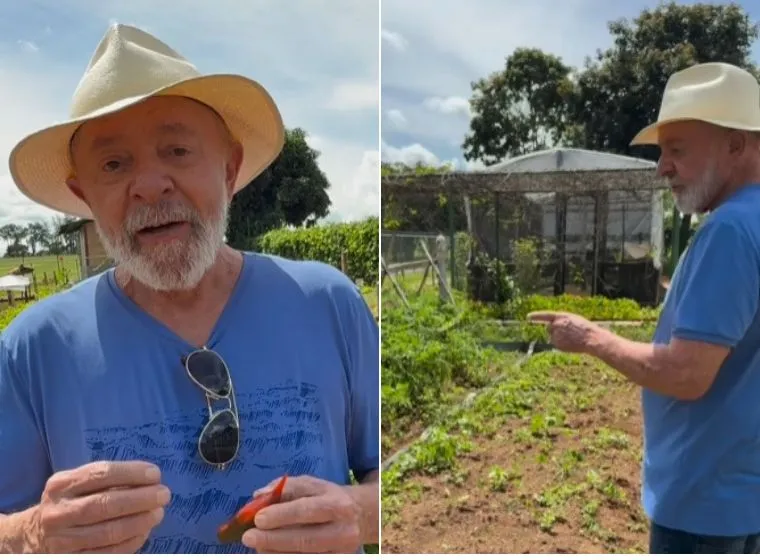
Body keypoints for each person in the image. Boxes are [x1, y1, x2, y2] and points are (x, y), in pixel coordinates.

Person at [0, 23, 379, 554]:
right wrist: (30, 534)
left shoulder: (329, 304)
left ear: (229, 169)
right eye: (114, 164)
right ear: (83, 194)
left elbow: (393, 478)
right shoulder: (31, 350)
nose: (150, 184)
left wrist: (361, 513)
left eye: (177, 150)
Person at [528, 61, 760, 554]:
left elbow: (686, 374)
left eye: (677, 150)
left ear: (736, 145)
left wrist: (591, 338)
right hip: (744, 487)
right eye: (661, 153)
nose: (662, 167)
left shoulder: (731, 231)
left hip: (704, 499)